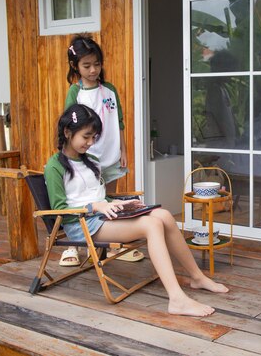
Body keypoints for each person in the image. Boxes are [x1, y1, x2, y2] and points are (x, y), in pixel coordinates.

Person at [45, 104, 228, 316]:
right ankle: (177, 299)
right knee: (151, 225)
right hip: (82, 224)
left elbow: (98, 196)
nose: (91, 142)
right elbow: (59, 209)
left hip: (103, 215)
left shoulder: (91, 161)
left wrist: (123, 204)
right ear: (67, 132)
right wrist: (94, 206)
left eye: (94, 137)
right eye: (86, 136)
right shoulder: (55, 167)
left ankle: (197, 277)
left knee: (165, 216)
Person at [62, 34, 141, 265]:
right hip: (87, 159)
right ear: (75, 66)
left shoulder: (110, 90)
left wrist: (124, 151)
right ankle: (74, 246)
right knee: (84, 201)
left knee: (110, 204)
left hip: (112, 157)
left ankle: (111, 246)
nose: (93, 69)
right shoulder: (75, 93)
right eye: (86, 65)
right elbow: (69, 126)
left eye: (97, 64)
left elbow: (119, 122)